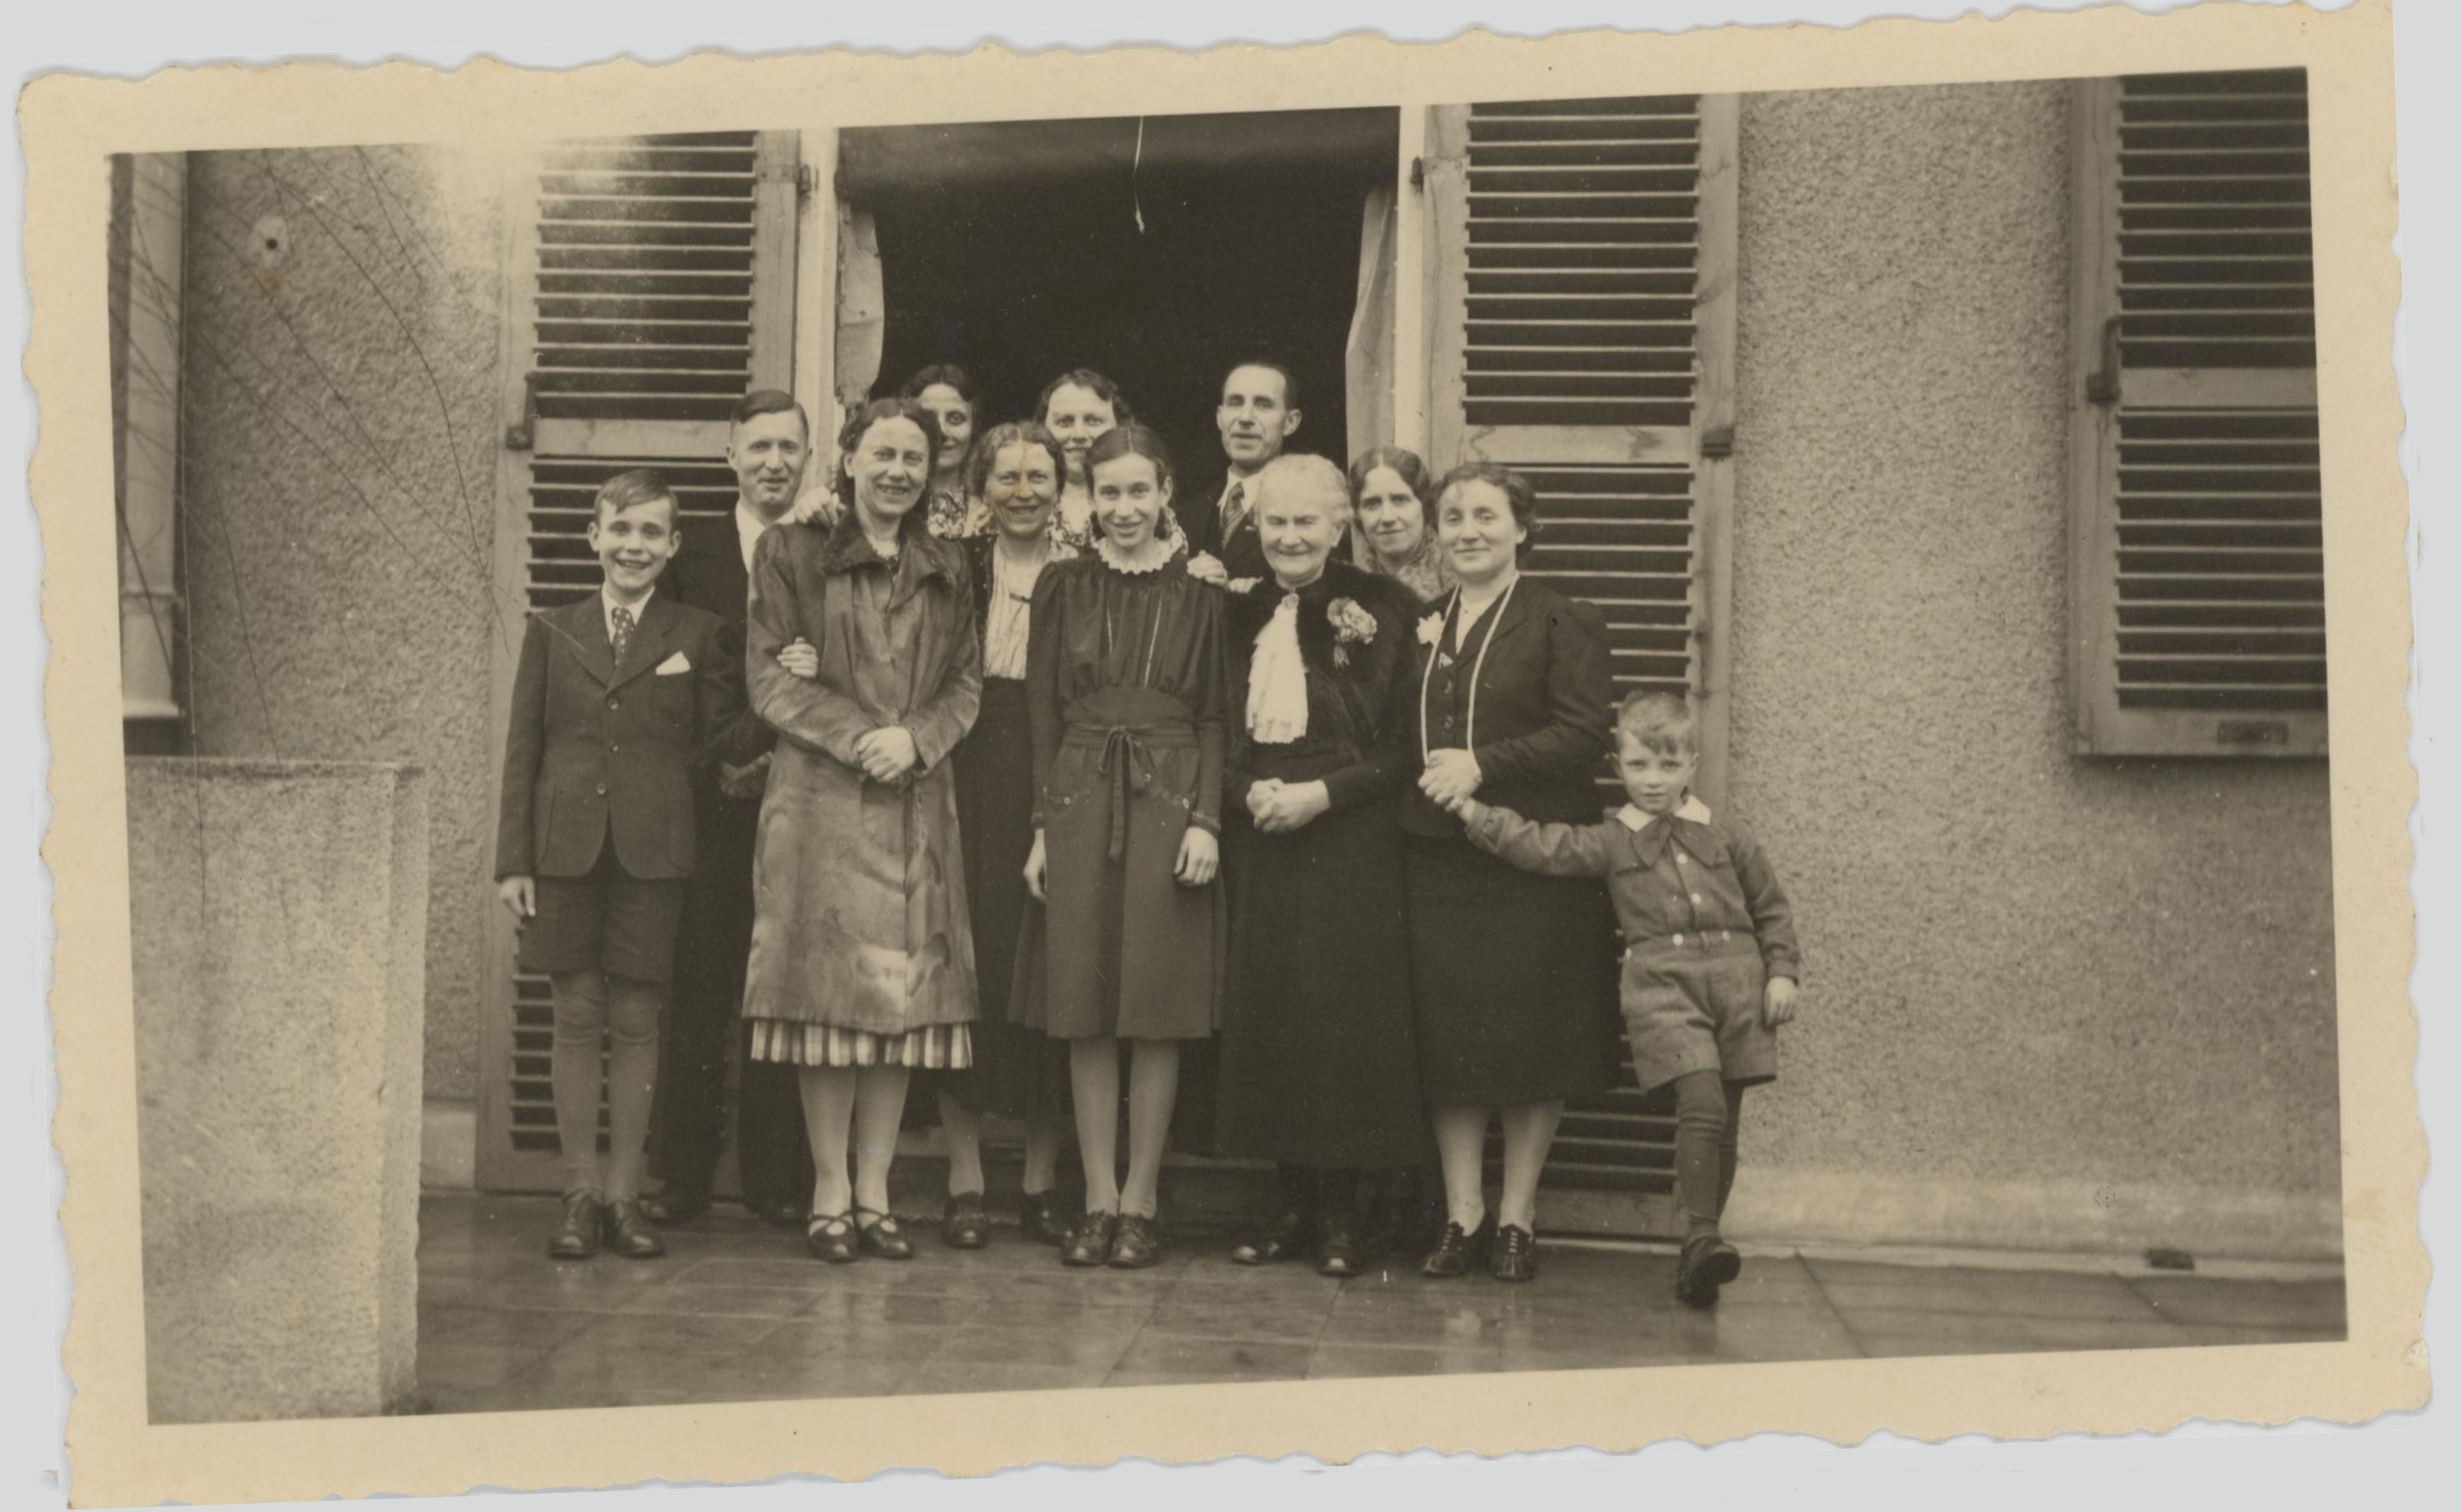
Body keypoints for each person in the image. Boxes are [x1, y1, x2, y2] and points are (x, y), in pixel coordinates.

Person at [1444, 692, 1802, 1306]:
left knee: (1725, 1124)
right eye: (1639, 765)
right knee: (1702, 1101)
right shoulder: (1613, 840)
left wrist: (1782, 974)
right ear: (1617, 765)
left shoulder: (1727, 836)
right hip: (1665, 991)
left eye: (1668, 765)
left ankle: (1699, 1254)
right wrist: (1477, 815)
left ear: (1692, 764)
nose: (1653, 780)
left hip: (1739, 991)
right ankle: (1703, 1238)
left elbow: (1771, 908)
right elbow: (1545, 845)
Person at [494, 468, 758, 1261]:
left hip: (653, 853)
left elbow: (722, 738)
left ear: (673, 545)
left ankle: (623, 1197)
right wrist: (514, 861)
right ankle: (578, 1195)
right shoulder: (553, 629)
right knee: (575, 1016)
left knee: (640, 1021)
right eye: (620, 529)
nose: (633, 546)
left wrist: (792, 687)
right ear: (594, 536)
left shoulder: (699, 633)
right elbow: (523, 750)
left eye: (650, 533)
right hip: (565, 849)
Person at [744, 397, 984, 1264]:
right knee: (833, 1004)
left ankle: (877, 1192)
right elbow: (768, 678)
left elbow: (965, 681)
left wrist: (914, 739)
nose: (897, 471)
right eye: (881, 454)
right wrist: (860, 738)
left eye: (913, 458)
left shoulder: (948, 563)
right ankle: (829, 1192)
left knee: (900, 1006)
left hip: (916, 798)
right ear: (847, 460)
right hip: (822, 800)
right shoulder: (791, 551)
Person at [1015, 421, 1227, 1270]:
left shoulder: (1202, 590)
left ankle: (1143, 1198)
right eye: (1110, 492)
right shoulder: (1062, 585)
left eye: (1141, 490)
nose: (1126, 507)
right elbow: (1041, 713)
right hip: (1078, 794)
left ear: (1166, 492)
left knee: (1155, 1008)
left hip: (1169, 796)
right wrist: (1041, 828)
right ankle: (1098, 1197)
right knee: (1086, 1007)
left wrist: (1207, 819)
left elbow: (1215, 715)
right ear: (1090, 498)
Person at [1405, 460, 1622, 1284]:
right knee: (1450, 1037)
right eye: (1453, 517)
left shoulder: (1563, 619)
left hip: (1534, 856)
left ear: (1522, 528)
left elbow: (1584, 734)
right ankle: (1463, 1214)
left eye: (1486, 516)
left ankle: (1517, 1217)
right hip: (1440, 858)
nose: (1468, 531)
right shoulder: (1427, 621)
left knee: (1535, 1037)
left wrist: (1483, 765)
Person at [1213, 454, 1426, 1278]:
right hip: (1260, 823)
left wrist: (1322, 796)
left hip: (1350, 832)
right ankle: (1291, 1206)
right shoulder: (1234, 611)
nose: (1291, 536)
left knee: (1340, 1017)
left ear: (1341, 527)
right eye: (1276, 521)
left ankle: (1343, 1215)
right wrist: (1245, 794)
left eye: (1307, 521)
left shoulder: (1388, 607)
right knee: (1272, 1012)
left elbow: (1406, 747)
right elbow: (1210, 725)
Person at [645, 391, 817, 1231]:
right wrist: (724, 759)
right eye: (759, 447)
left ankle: (774, 1177)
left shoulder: (825, 551)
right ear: (731, 458)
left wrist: (784, 754)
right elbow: (666, 669)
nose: (774, 462)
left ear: (808, 458)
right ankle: (681, 1174)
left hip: (804, 791)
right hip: (712, 794)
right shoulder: (693, 553)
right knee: (701, 979)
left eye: (788, 447)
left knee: (782, 982)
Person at [934, 420, 1079, 1248]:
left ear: (1062, 486)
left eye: (1038, 477)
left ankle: (1039, 1182)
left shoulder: (1084, 572)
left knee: (1044, 969)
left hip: (1054, 761)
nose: (1023, 492)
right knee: (966, 964)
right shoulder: (955, 565)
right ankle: (964, 1178)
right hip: (965, 763)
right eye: (1006, 478)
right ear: (980, 490)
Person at [1181, 361, 1304, 589]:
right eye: (1235, 402)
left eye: (1263, 404)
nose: (1245, 417)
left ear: (1290, 422)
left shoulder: (1308, 512)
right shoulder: (1186, 514)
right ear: (1220, 417)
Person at [1035, 368, 1133, 551]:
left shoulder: (1141, 503)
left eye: (1093, 421)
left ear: (1118, 428)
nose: (1079, 434)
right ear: (1042, 430)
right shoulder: (1021, 501)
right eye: (1064, 422)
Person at [1347, 446, 1454, 604]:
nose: (1387, 517)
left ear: (1424, 505)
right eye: (1372, 504)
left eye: (1400, 500)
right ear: (1357, 514)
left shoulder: (1458, 578)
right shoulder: (1352, 588)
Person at [901, 363, 981, 539]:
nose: (941, 431)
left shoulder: (990, 503)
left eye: (955, 419)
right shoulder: (889, 498)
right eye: (927, 418)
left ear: (973, 427)